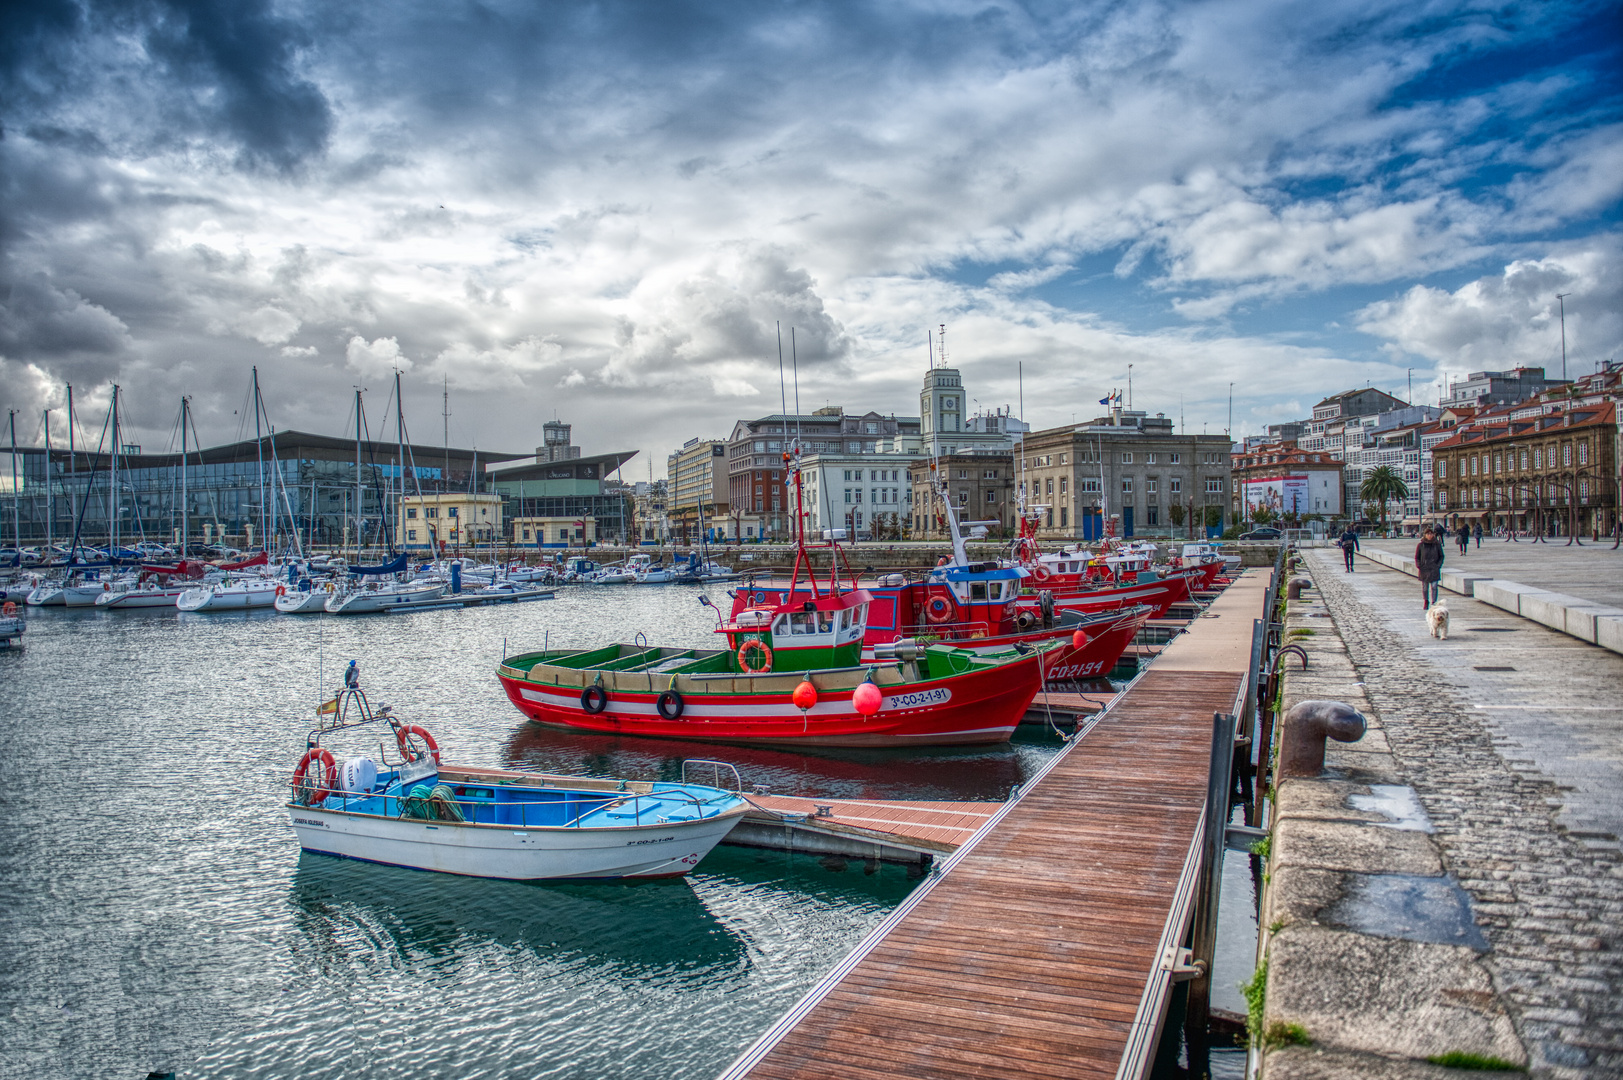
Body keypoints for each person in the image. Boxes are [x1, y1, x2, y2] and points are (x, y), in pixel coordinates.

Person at [1416, 526, 1445, 610]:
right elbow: (1417, 557)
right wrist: (1419, 565)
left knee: (1434, 586)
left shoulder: (1437, 544)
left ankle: (1434, 602)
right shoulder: (1421, 545)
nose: (1430, 535)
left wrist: (1438, 565)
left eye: (1431, 534)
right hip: (1424, 569)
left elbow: (1441, 556)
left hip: (1434, 568)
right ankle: (1426, 601)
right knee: (1425, 587)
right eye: (1428, 534)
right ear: (1425, 535)